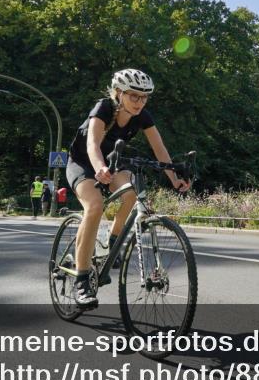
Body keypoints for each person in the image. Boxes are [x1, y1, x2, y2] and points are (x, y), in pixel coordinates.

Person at [66, 68, 191, 309]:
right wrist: (99, 167)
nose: (139, 102)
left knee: (132, 192)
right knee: (95, 207)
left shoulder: (143, 115)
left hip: (112, 164)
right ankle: (81, 279)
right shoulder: (103, 108)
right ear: (119, 93)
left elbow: (159, 149)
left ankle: (113, 242)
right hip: (83, 163)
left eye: (144, 97)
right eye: (134, 96)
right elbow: (92, 144)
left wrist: (174, 178)